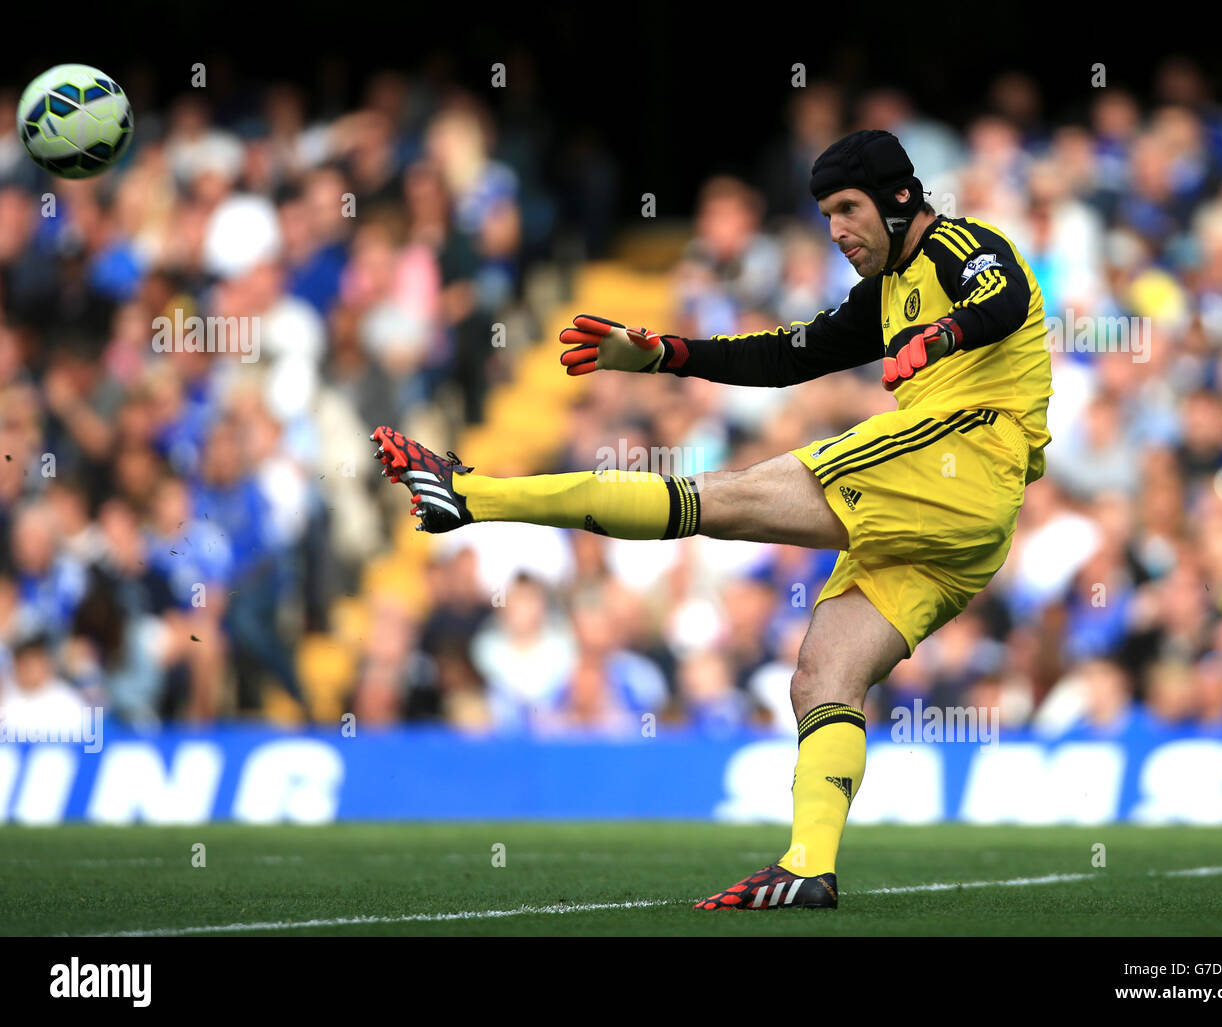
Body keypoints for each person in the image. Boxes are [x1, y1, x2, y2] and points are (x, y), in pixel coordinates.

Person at [372, 129, 1053, 910]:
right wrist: (668, 354)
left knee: (719, 500)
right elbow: (785, 354)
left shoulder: (965, 245)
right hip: (961, 524)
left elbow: (998, 301)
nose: (836, 230)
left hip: (964, 462)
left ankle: (474, 495)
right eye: (827, 213)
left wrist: (943, 333)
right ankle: (808, 868)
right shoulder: (887, 292)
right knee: (823, 673)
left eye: (848, 209)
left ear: (902, 200)